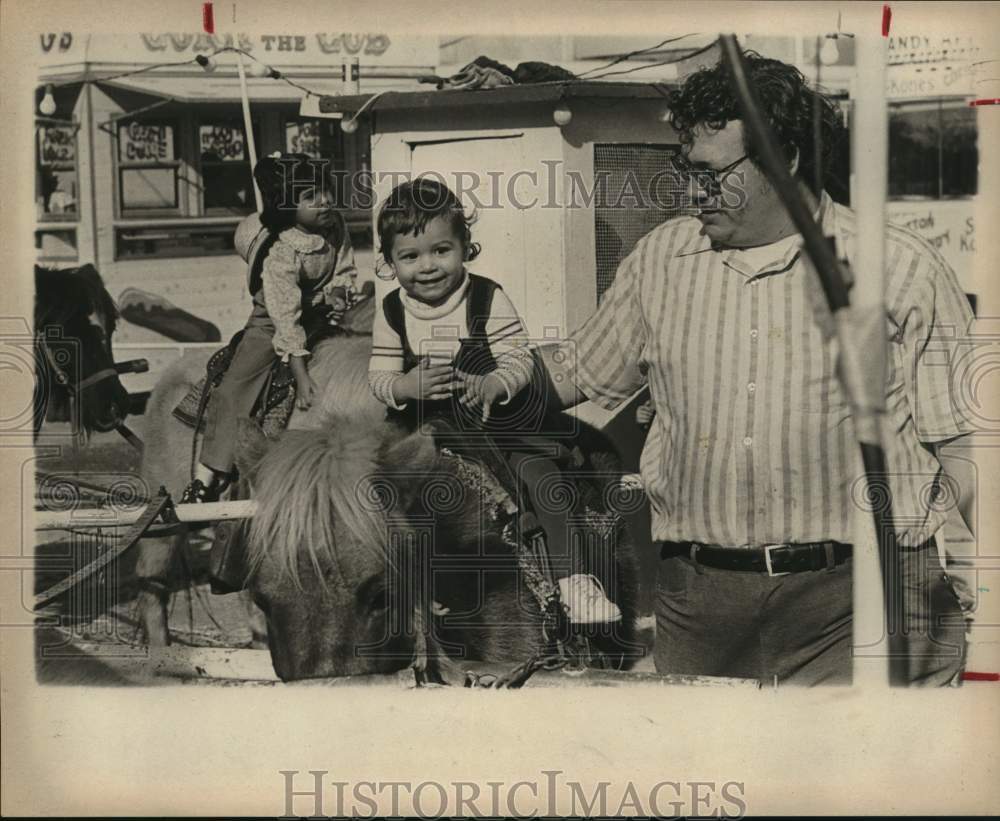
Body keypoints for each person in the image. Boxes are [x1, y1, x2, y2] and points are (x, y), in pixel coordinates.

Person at [539, 53, 977, 684]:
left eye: (711, 174)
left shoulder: (900, 267)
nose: (692, 193)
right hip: (701, 612)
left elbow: (969, 447)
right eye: (684, 172)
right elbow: (573, 370)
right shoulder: (661, 259)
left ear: (785, 157)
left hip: (866, 606)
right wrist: (477, 378)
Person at [368, 178, 621, 624]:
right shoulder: (391, 312)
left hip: (492, 424)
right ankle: (408, 584)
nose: (426, 267)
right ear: (389, 262)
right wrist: (405, 387)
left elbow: (519, 358)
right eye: (409, 257)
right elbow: (380, 375)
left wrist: (496, 384)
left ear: (466, 247)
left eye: (441, 250)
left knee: (543, 477)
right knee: (384, 492)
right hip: (420, 430)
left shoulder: (486, 297)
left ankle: (573, 579)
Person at [181, 153, 358, 503]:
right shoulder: (281, 251)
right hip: (274, 321)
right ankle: (206, 476)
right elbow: (285, 316)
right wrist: (302, 374)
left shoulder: (334, 224)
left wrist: (339, 290)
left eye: (325, 190)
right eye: (310, 196)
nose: (323, 200)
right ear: (287, 206)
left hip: (320, 313)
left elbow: (345, 264)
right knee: (236, 385)